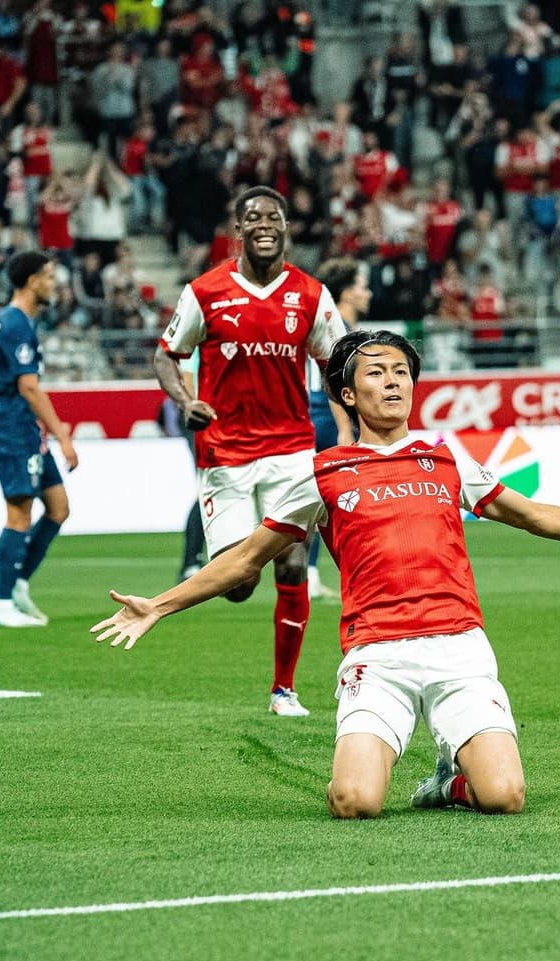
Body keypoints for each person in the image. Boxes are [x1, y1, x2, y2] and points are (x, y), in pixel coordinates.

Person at [92, 330, 560, 818]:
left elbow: (534, 516)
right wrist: (161, 604)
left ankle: (449, 780)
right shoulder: (323, 474)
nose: (394, 382)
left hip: (460, 649)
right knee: (354, 803)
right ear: (350, 396)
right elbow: (245, 558)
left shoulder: (445, 461)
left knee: (506, 797)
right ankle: (420, 759)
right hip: (377, 657)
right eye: (377, 373)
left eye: (402, 372)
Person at [153, 185, 351, 717]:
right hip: (227, 453)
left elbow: (338, 366)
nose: (265, 224)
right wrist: (185, 399)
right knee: (238, 581)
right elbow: (167, 355)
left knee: (291, 563)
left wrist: (351, 434)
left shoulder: (311, 294)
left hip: (290, 448)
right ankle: (236, 568)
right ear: (237, 230)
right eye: (253, 218)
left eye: (274, 216)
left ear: (286, 227)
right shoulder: (206, 291)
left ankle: (283, 689)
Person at [0, 251, 78, 628]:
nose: (53, 283)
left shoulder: (15, 322)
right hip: (10, 428)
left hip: (25, 429)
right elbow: (29, 387)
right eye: (48, 276)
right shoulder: (14, 326)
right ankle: (1, 602)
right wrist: (62, 435)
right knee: (20, 512)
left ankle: (19, 583)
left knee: (58, 507)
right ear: (31, 281)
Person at [306, 256, 371, 601]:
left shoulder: (326, 326)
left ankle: (311, 573)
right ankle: (343, 574)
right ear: (346, 292)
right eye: (362, 285)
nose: (368, 292)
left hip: (314, 418)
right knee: (341, 500)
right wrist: (346, 429)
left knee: (321, 500)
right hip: (329, 421)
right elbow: (334, 381)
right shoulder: (340, 329)